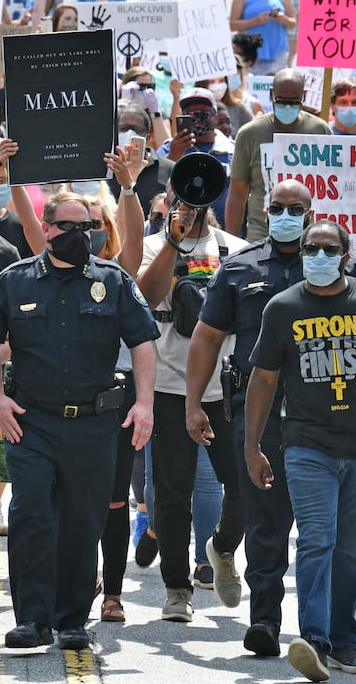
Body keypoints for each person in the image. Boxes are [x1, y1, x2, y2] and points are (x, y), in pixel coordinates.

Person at [0, 190, 159, 651]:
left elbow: (143, 342)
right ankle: (32, 619)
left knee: (81, 521)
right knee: (31, 515)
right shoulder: (16, 281)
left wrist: (145, 403)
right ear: (48, 229)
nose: (80, 236)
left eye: (87, 227)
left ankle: (73, 618)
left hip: (95, 424)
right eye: (69, 227)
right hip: (32, 422)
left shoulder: (112, 281)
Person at [244, 220, 356, 680]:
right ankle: (315, 641)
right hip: (306, 446)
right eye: (310, 249)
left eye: (328, 249)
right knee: (317, 540)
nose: (318, 256)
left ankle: (346, 640)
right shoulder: (282, 307)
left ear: (346, 254)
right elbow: (263, 378)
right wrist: (251, 446)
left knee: (350, 552)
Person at [187, 179, 328, 658]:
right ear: (265, 212)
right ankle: (265, 620)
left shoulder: (331, 265)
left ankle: (318, 627)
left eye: (296, 208)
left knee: (314, 523)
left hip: (322, 412)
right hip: (256, 410)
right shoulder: (238, 268)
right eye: (278, 208)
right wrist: (193, 403)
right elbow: (206, 338)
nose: (286, 214)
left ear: (311, 212)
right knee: (266, 519)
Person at [139, 182, 247, 623]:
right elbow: (145, 296)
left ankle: (221, 547)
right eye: (181, 197)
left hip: (226, 390)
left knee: (242, 487)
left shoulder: (237, 251)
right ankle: (177, 587)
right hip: (169, 386)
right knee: (171, 495)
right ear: (167, 200)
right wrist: (172, 240)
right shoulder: (151, 246)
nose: (190, 206)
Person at [226, 69, 332, 241]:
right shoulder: (250, 134)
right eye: (281, 101)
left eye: (294, 102)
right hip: (261, 231)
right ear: (271, 94)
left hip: (307, 234)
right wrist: (231, 241)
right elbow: (238, 192)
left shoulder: (320, 131)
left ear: (303, 96)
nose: (288, 107)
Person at [228, 0, 296, 72]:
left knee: (276, 88)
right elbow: (233, 25)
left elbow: (292, 23)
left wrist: (283, 19)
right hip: (250, 53)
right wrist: (256, 21)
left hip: (277, 51)